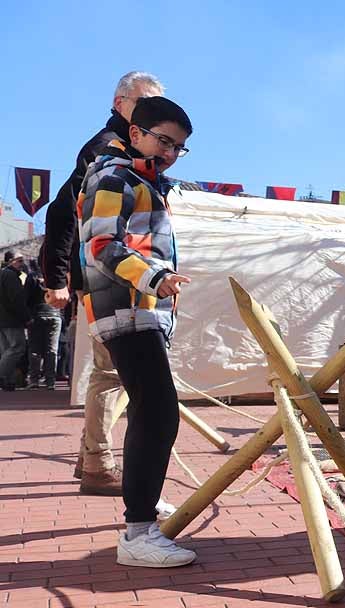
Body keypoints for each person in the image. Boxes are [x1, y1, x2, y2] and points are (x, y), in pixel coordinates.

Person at [78, 96, 195, 567]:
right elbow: (101, 243)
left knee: (150, 412)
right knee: (159, 412)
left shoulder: (145, 182)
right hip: (125, 308)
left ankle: (142, 510)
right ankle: (138, 530)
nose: (169, 152)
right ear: (135, 134)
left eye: (179, 147)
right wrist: (153, 277)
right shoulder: (114, 176)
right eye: (163, 140)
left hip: (140, 309)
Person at [41, 71, 164, 495]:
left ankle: (91, 456)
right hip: (105, 275)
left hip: (127, 275)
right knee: (111, 372)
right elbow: (62, 213)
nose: (154, 115)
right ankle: (97, 463)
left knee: (114, 371)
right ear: (120, 102)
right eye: (145, 104)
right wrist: (56, 278)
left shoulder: (136, 151)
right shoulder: (105, 150)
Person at [25, 258, 61, 390]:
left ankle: (34, 380)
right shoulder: (57, 274)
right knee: (52, 350)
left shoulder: (33, 276)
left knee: (35, 349)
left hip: (37, 314)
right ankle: (50, 381)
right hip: (55, 313)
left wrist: (27, 315)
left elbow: (26, 298)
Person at [0, 251, 30, 391]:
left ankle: (8, 381)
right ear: (10, 261)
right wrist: (27, 318)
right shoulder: (10, 276)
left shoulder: (3, 274)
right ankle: (3, 376)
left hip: (3, 319)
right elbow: (17, 300)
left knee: (7, 350)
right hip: (11, 319)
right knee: (17, 347)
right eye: (19, 260)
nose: (22, 264)